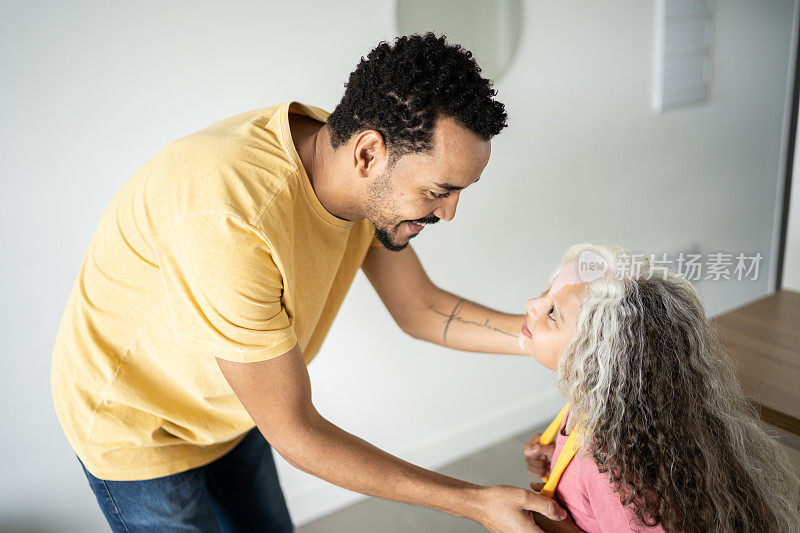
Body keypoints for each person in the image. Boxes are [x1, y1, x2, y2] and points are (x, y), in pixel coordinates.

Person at [50, 33, 568, 532]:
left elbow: (421, 308)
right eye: (439, 191)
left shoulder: (351, 165)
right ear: (368, 154)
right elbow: (296, 432)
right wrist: (474, 502)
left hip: (235, 398)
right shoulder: (233, 220)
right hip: (141, 422)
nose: (449, 213)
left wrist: (557, 341)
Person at [519, 243, 800, 532]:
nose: (532, 303)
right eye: (547, 291)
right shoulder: (595, 407)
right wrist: (559, 460)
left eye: (553, 312)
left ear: (596, 357)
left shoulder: (617, 478)